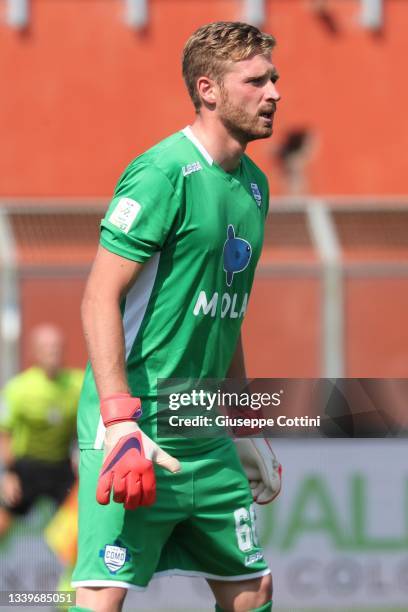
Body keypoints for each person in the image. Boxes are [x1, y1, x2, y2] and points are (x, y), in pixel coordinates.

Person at [71, 21, 282, 612]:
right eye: (257, 80)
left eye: (274, 79)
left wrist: (242, 422)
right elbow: (97, 298)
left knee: (251, 590)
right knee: (101, 595)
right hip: (137, 431)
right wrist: (118, 423)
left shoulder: (257, 187)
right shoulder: (163, 172)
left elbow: (225, 317)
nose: (274, 93)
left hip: (205, 429)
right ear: (209, 89)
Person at [0, 324, 83, 537]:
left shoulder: (77, 383)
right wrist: (8, 475)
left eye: (56, 346)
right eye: (46, 347)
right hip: (26, 466)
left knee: (79, 524)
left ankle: (73, 570)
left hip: (60, 466)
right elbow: (4, 434)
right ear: (34, 352)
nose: (53, 351)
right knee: (3, 519)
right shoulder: (19, 388)